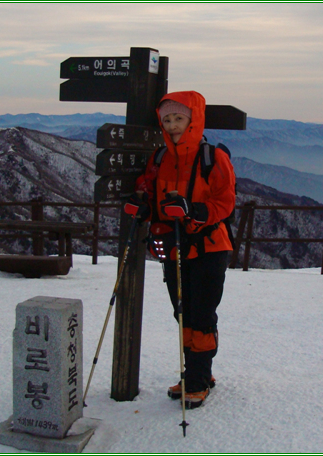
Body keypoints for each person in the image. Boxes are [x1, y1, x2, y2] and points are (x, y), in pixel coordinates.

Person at [123, 91, 236, 409]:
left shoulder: (213, 158)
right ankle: (196, 373)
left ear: (193, 120)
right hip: (173, 249)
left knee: (200, 315)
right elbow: (149, 191)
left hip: (209, 249)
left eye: (179, 118)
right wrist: (143, 206)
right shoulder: (160, 158)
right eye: (167, 120)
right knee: (182, 313)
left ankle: (198, 379)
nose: (173, 125)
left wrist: (194, 210)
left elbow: (225, 202)